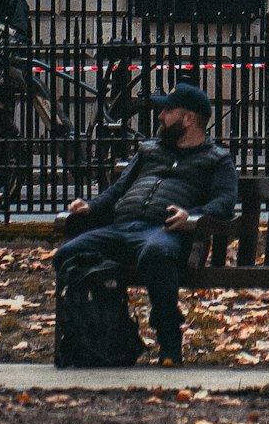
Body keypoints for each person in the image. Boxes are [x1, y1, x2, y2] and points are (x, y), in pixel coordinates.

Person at [54, 82, 238, 368]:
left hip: (163, 232)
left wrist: (191, 216)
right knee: (67, 254)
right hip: (122, 228)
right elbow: (117, 190)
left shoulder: (217, 159)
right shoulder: (150, 150)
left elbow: (225, 202)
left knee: (155, 254)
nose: (160, 116)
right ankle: (105, 333)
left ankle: (169, 343)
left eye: (168, 111)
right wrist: (92, 206)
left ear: (189, 118)